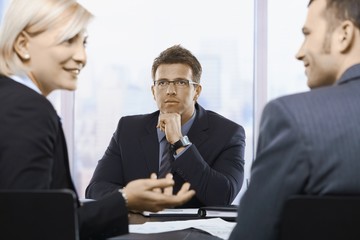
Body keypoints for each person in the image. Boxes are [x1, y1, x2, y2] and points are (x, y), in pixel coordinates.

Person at [0, 0, 195, 239]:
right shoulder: (28, 109)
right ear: (22, 45)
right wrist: (124, 200)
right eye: (67, 41)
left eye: (83, 42)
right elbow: (32, 226)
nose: (81, 56)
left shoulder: (11, 101)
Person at [229, 0, 360, 239]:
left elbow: (252, 234)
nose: (299, 52)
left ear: (344, 35)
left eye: (307, 34)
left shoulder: (293, 118)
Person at [86, 45, 246, 207]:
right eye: (162, 83)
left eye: (181, 82)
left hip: (194, 230)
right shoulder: (128, 129)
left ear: (196, 91)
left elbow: (223, 196)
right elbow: (96, 189)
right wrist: (131, 198)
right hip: (140, 227)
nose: (170, 90)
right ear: (153, 91)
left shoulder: (228, 134)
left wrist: (179, 142)